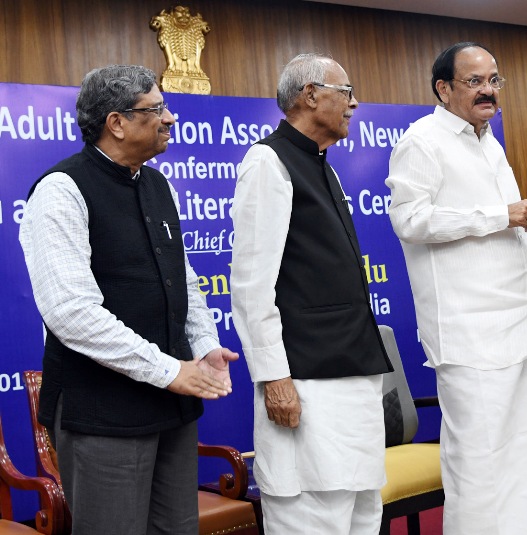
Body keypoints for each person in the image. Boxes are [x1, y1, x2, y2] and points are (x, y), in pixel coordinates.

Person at [18, 65, 239, 535]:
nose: (171, 118)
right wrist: (171, 370)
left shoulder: (156, 184)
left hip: (171, 408)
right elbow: (71, 314)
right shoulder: (61, 191)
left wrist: (202, 347)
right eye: (156, 109)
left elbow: (184, 280)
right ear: (116, 123)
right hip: (101, 414)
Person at [385, 42, 527, 534]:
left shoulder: (489, 140)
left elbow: (495, 238)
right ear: (443, 89)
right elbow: (409, 220)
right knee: (483, 463)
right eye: (474, 81)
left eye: (494, 79)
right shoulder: (422, 140)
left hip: (520, 325)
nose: (488, 90)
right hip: (470, 335)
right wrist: (501, 215)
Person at [230, 53, 393, 534]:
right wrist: (274, 378)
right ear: (310, 95)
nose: (355, 103)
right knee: (312, 516)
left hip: (353, 373)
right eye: (346, 92)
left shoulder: (325, 166)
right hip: (305, 382)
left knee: (362, 510)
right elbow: (251, 285)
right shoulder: (267, 162)